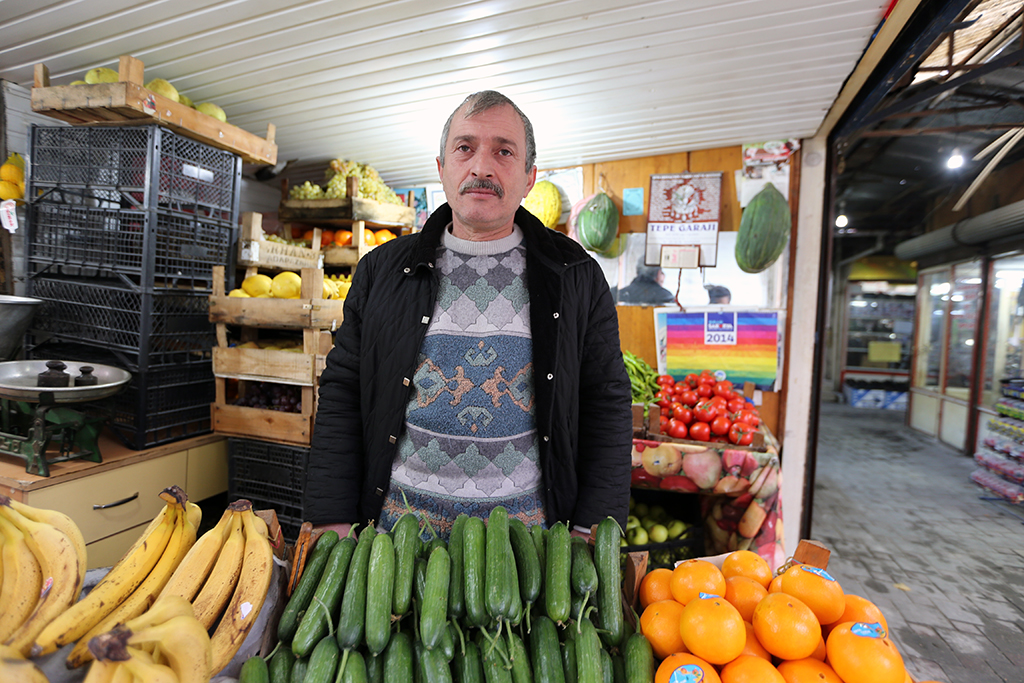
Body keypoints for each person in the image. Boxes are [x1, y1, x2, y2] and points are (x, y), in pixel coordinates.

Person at [305, 90, 633, 539]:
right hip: (394, 543)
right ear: (442, 168)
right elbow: (343, 391)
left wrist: (592, 527)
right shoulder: (381, 272)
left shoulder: (576, 276)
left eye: (503, 151)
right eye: (464, 148)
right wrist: (331, 517)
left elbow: (607, 402)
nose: (481, 167)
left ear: (529, 176)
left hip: (527, 553)